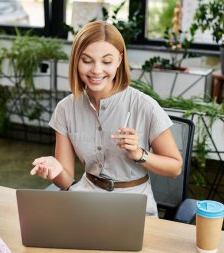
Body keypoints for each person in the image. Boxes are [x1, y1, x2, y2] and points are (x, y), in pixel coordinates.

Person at [30, 20, 183, 216]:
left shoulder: (144, 106)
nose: (96, 70)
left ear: (119, 61)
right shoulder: (65, 109)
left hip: (134, 205)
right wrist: (55, 171)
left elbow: (175, 168)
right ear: (76, 61)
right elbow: (66, 181)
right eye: (87, 60)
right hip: (86, 199)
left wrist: (139, 154)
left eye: (107, 61)